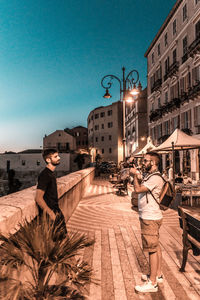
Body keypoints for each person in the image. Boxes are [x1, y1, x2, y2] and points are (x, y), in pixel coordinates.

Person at [130, 152, 164, 293]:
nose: (143, 163)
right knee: (155, 246)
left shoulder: (155, 178)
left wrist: (133, 176)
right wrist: (137, 175)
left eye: (145, 161)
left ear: (153, 163)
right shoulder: (151, 176)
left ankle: (152, 283)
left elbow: (138, 189)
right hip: (151, 215)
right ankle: (158, 274)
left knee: (151, 249)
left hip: (150, 217)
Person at [35, 148, 67, 240]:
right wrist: (51, 213)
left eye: (58, 155)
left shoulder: (51, 174)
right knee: (57, 242)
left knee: (62, 239)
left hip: (56, 211)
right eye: (56, 156)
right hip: (51, 214)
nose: (59, 158)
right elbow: (38, 198)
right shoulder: (45, 175)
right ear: (48, 160)